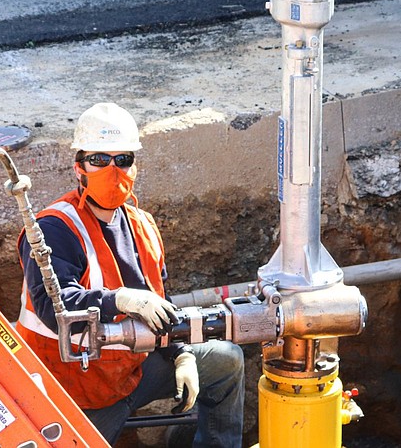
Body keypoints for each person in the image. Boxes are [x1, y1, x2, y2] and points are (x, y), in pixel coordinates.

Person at [15, 102, 245, 447]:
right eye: (99, 160)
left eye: (122, 160)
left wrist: (180, 353)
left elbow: (161, 304)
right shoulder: (55, 228)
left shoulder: (143, 226)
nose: (112, 169)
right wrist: (121, 299)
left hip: (130, 372)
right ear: (80, 167)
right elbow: (55, 307)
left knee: (226, 361)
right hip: (74, 390)